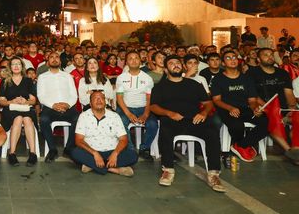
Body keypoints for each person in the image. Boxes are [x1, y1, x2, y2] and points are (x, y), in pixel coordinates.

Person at [150, 55, 226, 193]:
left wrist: (203, 113)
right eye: (171, 63)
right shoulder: (160, 87)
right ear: (166, 69)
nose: (176, 65)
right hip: (172, 120)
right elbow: (153, 107)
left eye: (178, 63)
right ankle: (168, 170)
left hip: (193, 119)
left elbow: (208, 103)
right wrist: (169, 113)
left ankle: (214, 174)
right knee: (165, 130)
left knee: (212, 132)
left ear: (183, 66)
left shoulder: (193, 84)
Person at [211, 51, 268, 162]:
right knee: (237, 125)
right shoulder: (218, 79)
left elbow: (252, 100)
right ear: (223, 63)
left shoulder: (247, 78)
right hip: (226, 109)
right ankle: (243, 146)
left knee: (267, 122)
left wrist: (255, 108)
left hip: (245, 108)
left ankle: (241, 145)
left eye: (234, 57)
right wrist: (230, 108)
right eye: (228, 58)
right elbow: (216, 100)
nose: (232, 60)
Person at [247, 48, 299, 163]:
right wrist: (269, 108)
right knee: (273, 118)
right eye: (265, 55)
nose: (269, 57)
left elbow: (289, 94)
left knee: (297, 118)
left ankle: (296, 149)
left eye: (271, 55)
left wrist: (292, 109)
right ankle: (290, 151)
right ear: (258, 59)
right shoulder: (252, 73)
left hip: (283, 108)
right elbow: (254, 96)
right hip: (264, 108)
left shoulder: (282, 73)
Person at [70, 91, 137, 176]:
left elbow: (123, 139)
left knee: (133, 155)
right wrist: (95, 153)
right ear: (90, 103)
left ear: (105, 102)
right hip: (91, 152)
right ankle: (114, 169)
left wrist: (115, 154)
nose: (99, 100)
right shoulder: (83, 116)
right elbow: (79, 140)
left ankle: (93, 166)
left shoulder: (114, 116)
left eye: (102, 98)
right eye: (95, 98)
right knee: (74, 153)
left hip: (111, 151)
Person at [37, 51, 79, 162]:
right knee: (44, 119)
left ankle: (69, 147)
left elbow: (74, 94)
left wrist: (67, 105)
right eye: (51, 57)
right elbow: (41, 96)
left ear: (60, 61)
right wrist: (53, 105)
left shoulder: (67, 76)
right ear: (48, 61)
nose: (54, 59)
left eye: (57, 57)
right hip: (50, 107)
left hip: (67, 107)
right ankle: (52, 149)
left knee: (78, 118)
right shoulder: (42, 77)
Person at [115, 51, 157, 160]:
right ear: (126, 62)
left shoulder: (147, 78)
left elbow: (149, 98)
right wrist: (128, 114)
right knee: (121, 122)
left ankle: (144, 148)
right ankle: (130, 149)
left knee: (153, 124)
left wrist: (146, 114)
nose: (134, 60)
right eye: (130, 58)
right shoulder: (121, 77)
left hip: (143, 107)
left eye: (136, 58)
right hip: (126, 107)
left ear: (140, 61)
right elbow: (119, 98)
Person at [0, 57, 38, 166]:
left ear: (22, 67)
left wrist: (25, 101)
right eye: (13, 64)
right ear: (10, 67)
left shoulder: (28, 80)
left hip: (25, 108)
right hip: (10, 110)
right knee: (19, 118)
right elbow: (2, 102)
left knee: (27, 119)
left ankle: (32, 153)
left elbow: (33, 101)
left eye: (18, 64)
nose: (16, 66)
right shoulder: (5, 81)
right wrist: (12, 101)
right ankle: (12, 153)